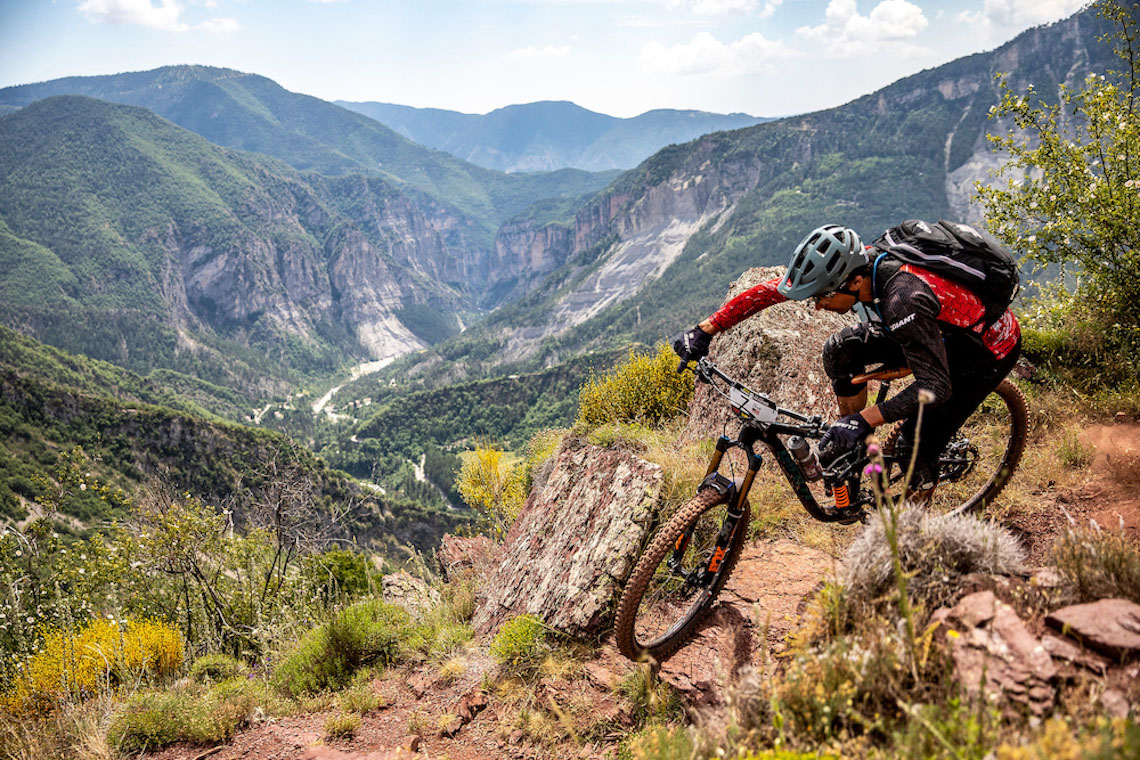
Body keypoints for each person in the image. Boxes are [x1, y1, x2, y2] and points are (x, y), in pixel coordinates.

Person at [673, 223, 1021, 499]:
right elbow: (771, 291)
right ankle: (847, 454)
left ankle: (913, 541)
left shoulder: (903, 299)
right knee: (840, 350)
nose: (817, 305)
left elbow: (936, 386)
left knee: (917, 444)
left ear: (855, 282)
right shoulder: (859, 265)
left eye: (823, 296)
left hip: (982, 351)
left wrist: (863, 419)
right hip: (931, 328)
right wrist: (706, 330)